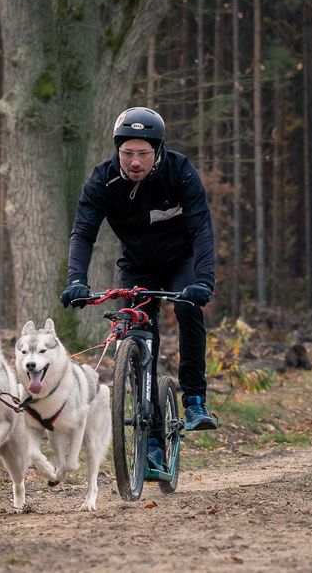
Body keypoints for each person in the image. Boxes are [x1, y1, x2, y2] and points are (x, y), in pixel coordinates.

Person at [59, 106, 218, 477]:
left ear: (157, 151)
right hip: (138, 264)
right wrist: (75, 281)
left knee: (187, 309)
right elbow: (83, 233)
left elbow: (202, 230)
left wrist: (203, 281)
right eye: (127, 152)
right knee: (139, 336)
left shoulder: (180, 172)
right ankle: (151, 445)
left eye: (142, 153)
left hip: (184, 260)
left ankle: (195, 399)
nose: (134, 161)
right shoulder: (103, 180)